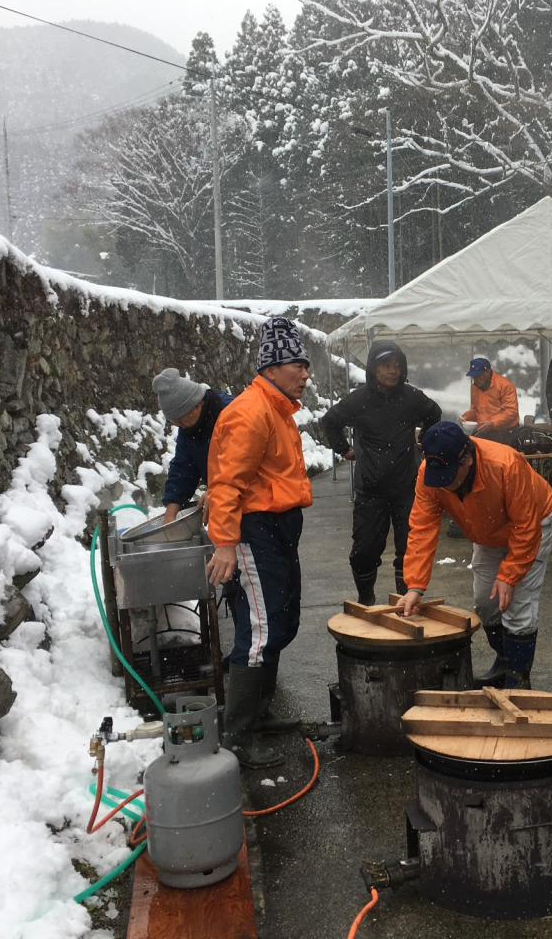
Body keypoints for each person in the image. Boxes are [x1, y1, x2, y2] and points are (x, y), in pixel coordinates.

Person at [205, 317, 314, 769]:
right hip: (254, 533)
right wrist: (226, 543)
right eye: (298, 365)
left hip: (279, 530)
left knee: (282, 621)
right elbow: (227, 484)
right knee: (260, 631)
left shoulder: (279, 408)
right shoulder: (251, 412)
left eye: (307, 364)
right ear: (271, 368)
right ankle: (237, 733)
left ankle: (260, 712)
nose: (306, 373)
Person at [396, 421, 552, 689]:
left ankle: (518, 679)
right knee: (486, 602)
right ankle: (504, 662)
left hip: (533, 525)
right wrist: (415, 585)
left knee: (516, 605)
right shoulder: (430, 473)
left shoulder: (506, 465)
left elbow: (525, 527)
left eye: (450, 476)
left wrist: (509, 574)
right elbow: (422, 528)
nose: (445, 486)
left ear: (467, 459)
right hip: (487, 531)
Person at [320, 340, 442, 605]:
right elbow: (330, 421)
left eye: (397, 365)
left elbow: (435, 414)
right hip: (370, 489)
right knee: (364, 551)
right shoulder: (359, 400)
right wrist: (344, 449)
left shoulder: (411, 397)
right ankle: (366, 598)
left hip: (406, 488)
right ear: (374, 368)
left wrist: (426, 443)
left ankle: (404, 603)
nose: (393, 370)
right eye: (386, 365)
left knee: (409, 550)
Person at [152, 368, 235, 524]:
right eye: (175, 423)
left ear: (197, 405)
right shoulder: (189, 426)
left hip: (262, 509)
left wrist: (218, 489)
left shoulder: (233, 413)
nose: (180, 426)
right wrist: (170, 513)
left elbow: (244, 461)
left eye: (181, 420)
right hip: (227, 509)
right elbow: (184, 468)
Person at [461, 357, 519, 441]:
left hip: (506, 432)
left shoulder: (505, 385)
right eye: (473, 376)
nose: (475, 379)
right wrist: (466, 417)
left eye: (478, 375)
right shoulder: (475, 387)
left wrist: (492, 423)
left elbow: (511, 412)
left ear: (487, 372)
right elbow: (475, 410)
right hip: (485, 431)